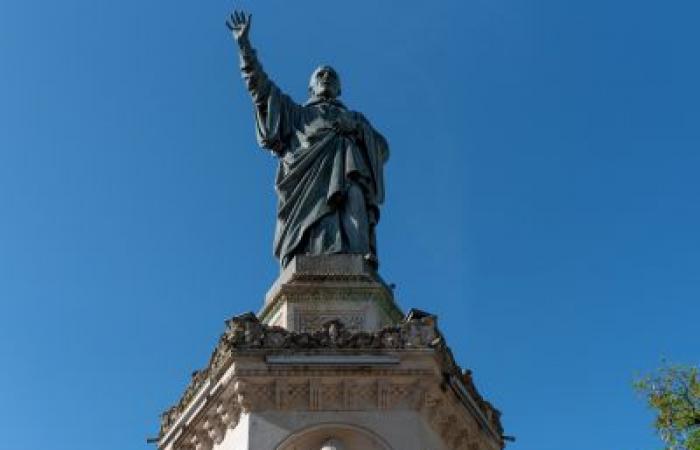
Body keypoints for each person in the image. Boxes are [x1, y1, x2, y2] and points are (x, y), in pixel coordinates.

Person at [226, 11, 389, 268]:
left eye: (331, 76)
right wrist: (245, 48)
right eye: (320, 75)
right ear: (311, 87)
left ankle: (360, 262)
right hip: (304, 185)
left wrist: (356, 128)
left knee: (355, 198)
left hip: (348, 172)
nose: (326, 77)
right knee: (311, 231)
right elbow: (260, 89)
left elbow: (382, 149)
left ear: (339, 89)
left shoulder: (356, 118)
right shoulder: (296, 114)